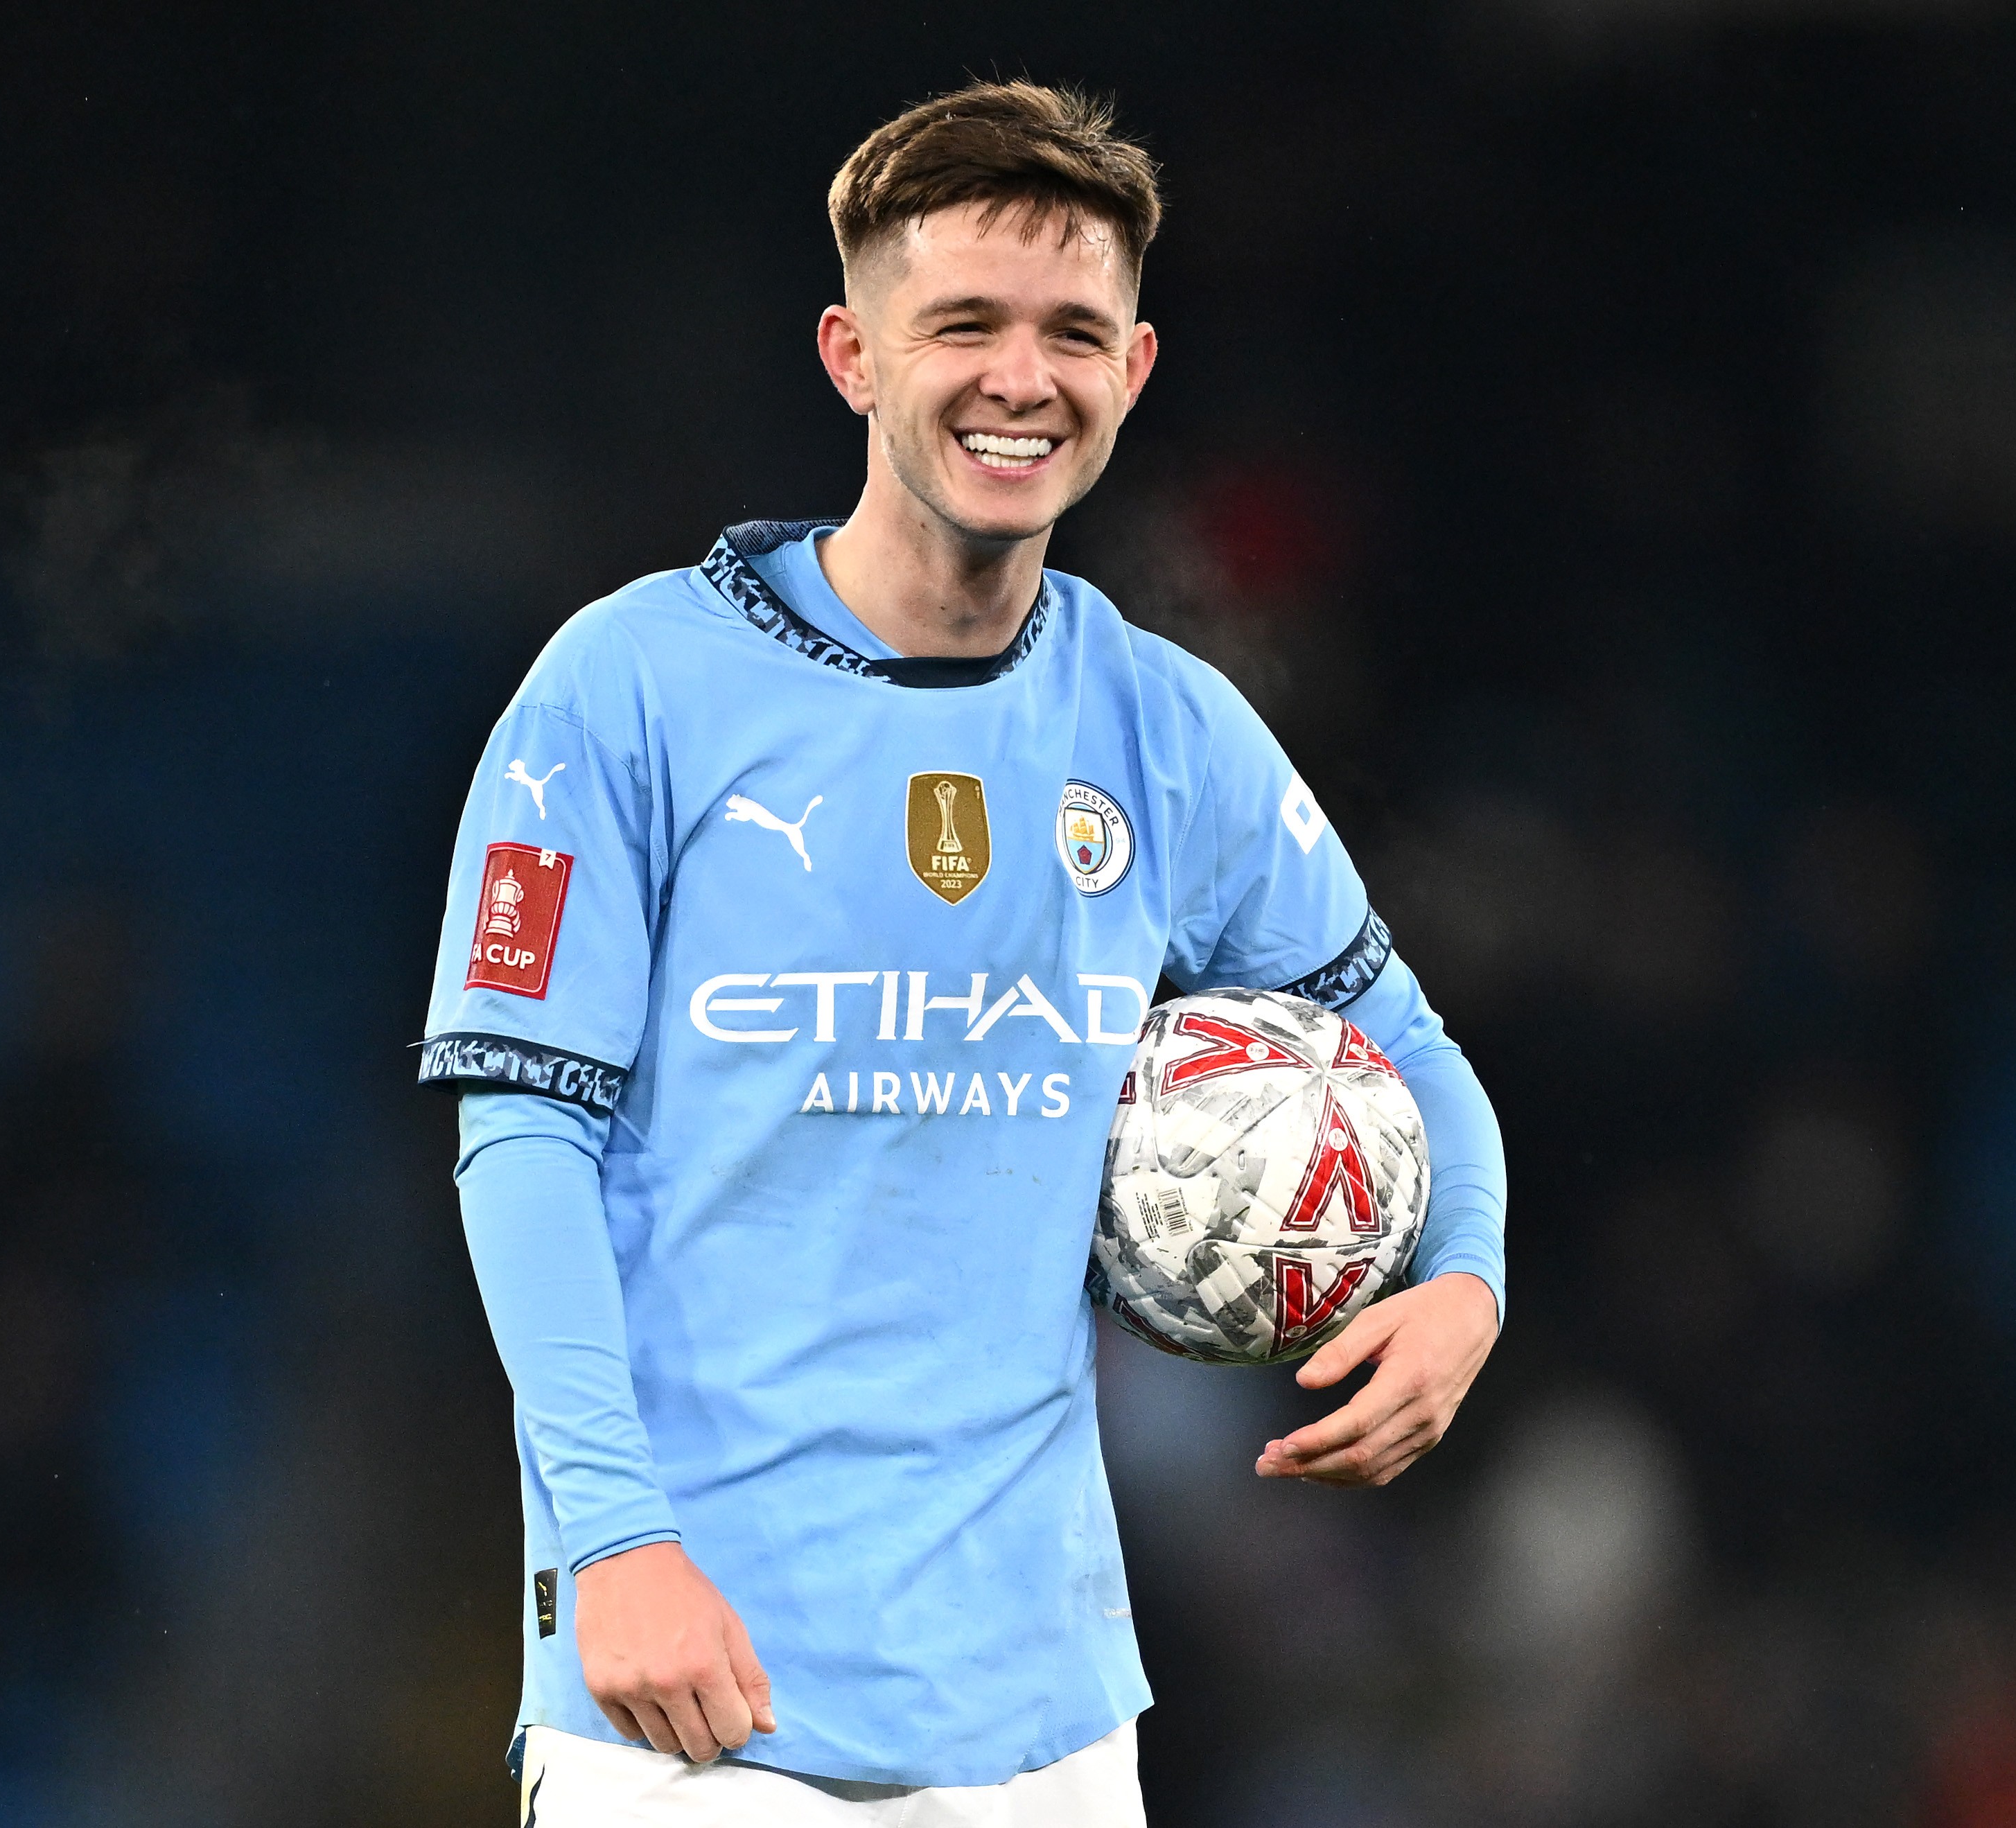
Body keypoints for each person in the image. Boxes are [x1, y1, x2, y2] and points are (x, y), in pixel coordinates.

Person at [419, 80, 1507, 1825]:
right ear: (853, 354)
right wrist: (615, 1537)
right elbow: (520, 1139)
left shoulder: (1166, 724)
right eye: (966, 325)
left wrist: (1466, 1272)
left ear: (1133, 371)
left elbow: (1409, 1048)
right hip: (692, 1702)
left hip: (1049, 1721)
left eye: (1076, 331)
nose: (1024, 377)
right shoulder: (625, 690)